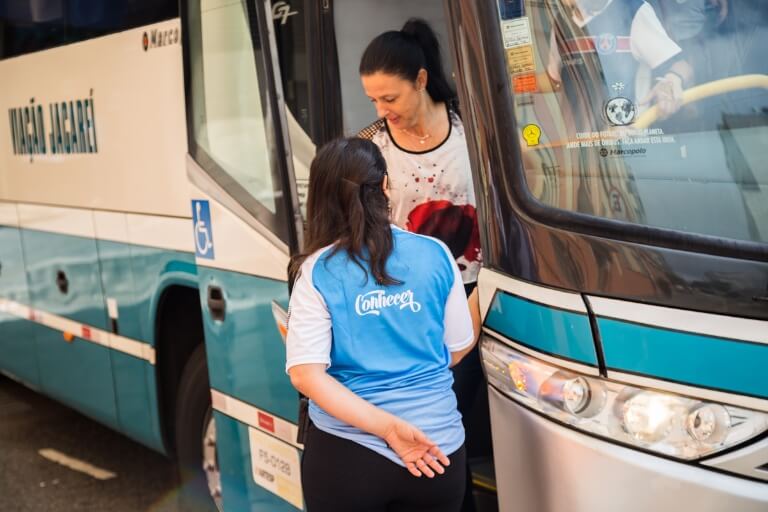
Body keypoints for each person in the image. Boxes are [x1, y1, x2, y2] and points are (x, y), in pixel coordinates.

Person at [286, 138, 480, 512]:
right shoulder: (437, 253)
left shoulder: (317, 271)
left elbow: (306, 375)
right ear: (386, 187)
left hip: (350, 459)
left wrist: (389, 429)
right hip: (436, 450)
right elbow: (455, 349)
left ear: (321, 197)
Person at [357, 20, 486, 511]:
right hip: (409, 310)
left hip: (479, 293)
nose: (380, 110)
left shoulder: (475, 130)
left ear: (422, 80)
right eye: (373, 101)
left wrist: (478, 302)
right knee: (437, 432)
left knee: (466, 425)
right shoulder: (372, 146)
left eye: (389, 98)